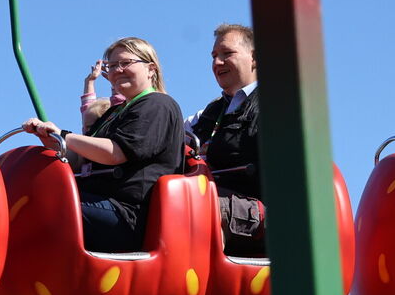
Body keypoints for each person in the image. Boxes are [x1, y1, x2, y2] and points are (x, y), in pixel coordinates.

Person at [22, 37, 183, 251]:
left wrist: (64, 135)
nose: (117, 70)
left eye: (125, 63)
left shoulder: (157, 104)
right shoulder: (114, 112)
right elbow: (80, 161)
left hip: (127, 215)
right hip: (98, 203)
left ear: (151, 68)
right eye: (112, 66)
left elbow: (115, 153)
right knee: (27, 196)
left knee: (42, 207)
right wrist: (52, 141)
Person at [185, 24, 263, 255]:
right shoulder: (212, 111)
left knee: (188, 208)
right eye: (214, 56)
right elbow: (168, 134)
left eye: (227, 54)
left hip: (259, 209)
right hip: (207, 195)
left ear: (255, 58)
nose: (217, 63)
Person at [79, 59, 124, 132]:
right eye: (85, 127)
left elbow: (118, 105)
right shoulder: (87, 138)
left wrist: (116, 83)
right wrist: (89, 81)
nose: (86, 131)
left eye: (90, 127)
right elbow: (87, 108)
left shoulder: (109, 134)